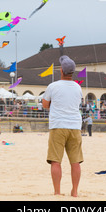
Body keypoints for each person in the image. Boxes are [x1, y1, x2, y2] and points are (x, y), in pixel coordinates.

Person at [42, 55, 83, 197]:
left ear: (61, 70)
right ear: (73, 72)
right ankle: (75, 191)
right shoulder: (78, 87)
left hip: (58, 125)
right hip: (75, 125)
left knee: (55, 161)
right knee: (75, 161)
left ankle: (57, 191)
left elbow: (45, 104)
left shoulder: (53, 86)